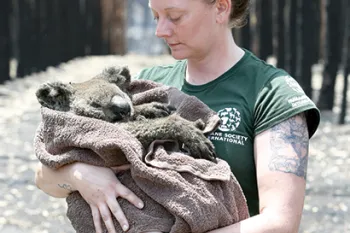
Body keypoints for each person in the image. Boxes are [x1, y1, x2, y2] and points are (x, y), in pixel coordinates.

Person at [34, 0, 320, 232]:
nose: (160, 30)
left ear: (221, 8)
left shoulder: (271, 93)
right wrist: (80, 175)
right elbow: (46, 177)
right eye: (156, 15)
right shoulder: (145, 85)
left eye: (174, 16)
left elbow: (280, 222)